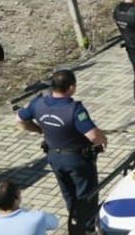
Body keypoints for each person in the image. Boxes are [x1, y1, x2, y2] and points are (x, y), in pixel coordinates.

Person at [16, 69, 107, 216]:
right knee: (86, 194)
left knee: (68, 192)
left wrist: (40, 130)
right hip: (77, 159)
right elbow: (93, 136)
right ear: (71, 88)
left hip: (54, 157)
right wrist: (104, 139)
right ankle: (88, 226)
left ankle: (74, 219)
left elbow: (20, 120)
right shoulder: (75, 109)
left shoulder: (37, 103)